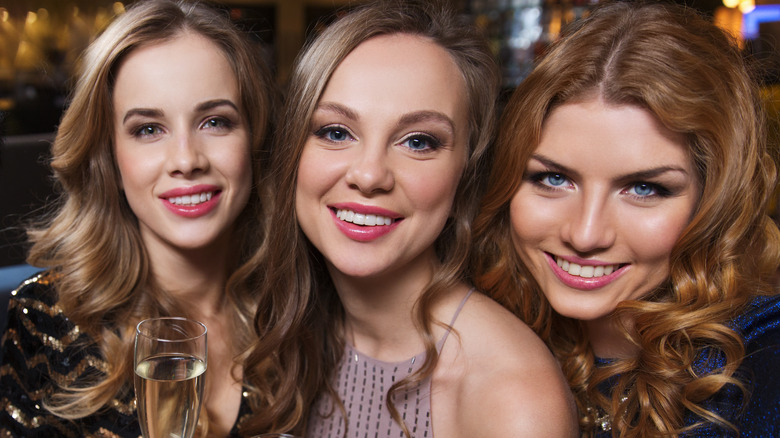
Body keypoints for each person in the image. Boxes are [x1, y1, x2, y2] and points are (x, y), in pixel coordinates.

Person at [235, 1, 577, 436]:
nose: (369, 174)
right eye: (336, 132)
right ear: (292, 154)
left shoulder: (513, 398)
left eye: (418, 141)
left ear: (465, 173)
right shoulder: (291, 333)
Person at [472, 1, 780, 437]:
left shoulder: (761, 364)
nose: (585, 233)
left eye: (644, 188)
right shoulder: (485, 328)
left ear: (713, 202)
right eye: (553, 178)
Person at [0, 0, 275, 436]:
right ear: (109, 157)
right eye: (148, 129)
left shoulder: (296, 309)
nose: (185, 160)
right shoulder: (48, 318)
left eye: (216, 121)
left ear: (255, 138)